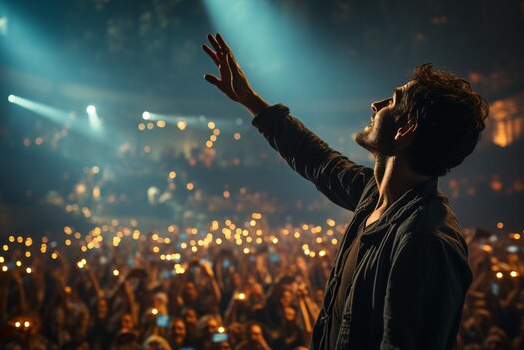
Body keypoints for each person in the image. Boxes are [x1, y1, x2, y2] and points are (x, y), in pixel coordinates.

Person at [202, 33, 488, 349]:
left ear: (406, 129)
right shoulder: (374, 196)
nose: (376, 105)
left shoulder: (425, 242)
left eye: (392, 100)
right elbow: (316, 159)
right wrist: (249, 99)